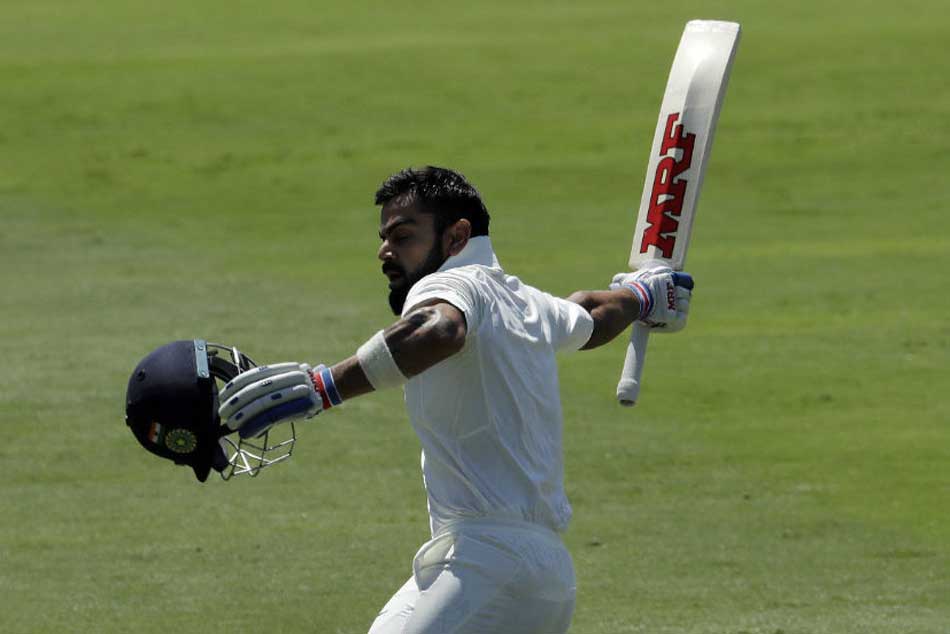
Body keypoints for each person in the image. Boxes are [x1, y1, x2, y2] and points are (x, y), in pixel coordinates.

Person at [217, 166, 693, 633]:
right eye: (384, 238)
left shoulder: (449, 284)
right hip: (537, 571)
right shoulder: (524, 302)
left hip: (487, 564)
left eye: (403, 236)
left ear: (457, 236)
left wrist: (324, 387)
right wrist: (643, 296)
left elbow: (440, 329)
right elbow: (592, 313)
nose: (385, 251)